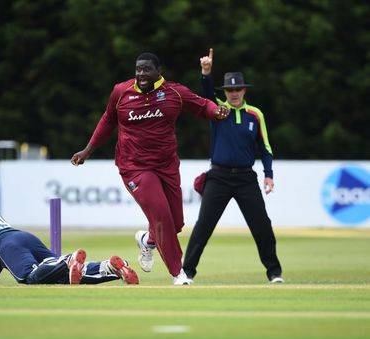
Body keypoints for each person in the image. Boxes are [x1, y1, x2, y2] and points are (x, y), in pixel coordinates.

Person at [70, 52, 230, 285]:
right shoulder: (121, 92)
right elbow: (107, 120)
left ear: (158, 70)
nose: (141, 74)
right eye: (138, 69)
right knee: (162, 217)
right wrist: (88, 150)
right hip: (133, 167)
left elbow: (202, 105)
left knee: (175, 224)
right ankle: (179, 273)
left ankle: (147, 240)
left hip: (167, 165)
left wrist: (216, 111)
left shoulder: (174, 92)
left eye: (146, 69)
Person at [183, 48, 284, 284]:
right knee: (203, 227)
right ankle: (186, 272)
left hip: (246, 179)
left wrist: (268, 175)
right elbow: (207, 94)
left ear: (244, 90)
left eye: (238, 89)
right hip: (218, 177)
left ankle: (274, 273)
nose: (234, 93)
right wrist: (206, 73)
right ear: (225, 92)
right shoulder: (219, 109)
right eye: (230, 89)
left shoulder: (254, 114)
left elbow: (265, 148)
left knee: (262, 226)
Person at [0, 184, 139, 285]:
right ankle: (111, 268)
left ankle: (67, 259)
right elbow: (2, 260)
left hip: (7, 244)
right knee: (62, 278)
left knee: (29, 278)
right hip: (23, 237)